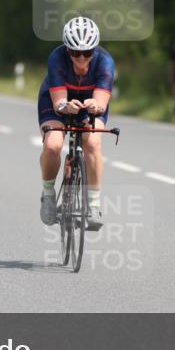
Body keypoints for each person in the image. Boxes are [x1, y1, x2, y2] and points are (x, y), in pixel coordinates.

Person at [38, 16, 114, 229]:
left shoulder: (105, 61)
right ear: (66, 49)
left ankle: (94, 205)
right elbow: (58, 103)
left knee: (92, 142)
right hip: (58, 100)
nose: (81, 59)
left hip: (90, 102)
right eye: (75, 53)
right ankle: (48, 194)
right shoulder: (56, 58)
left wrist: (94, 105)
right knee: (52, 144)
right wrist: (65, 106)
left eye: (87, 53)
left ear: (95, 50)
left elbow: (101, 102)